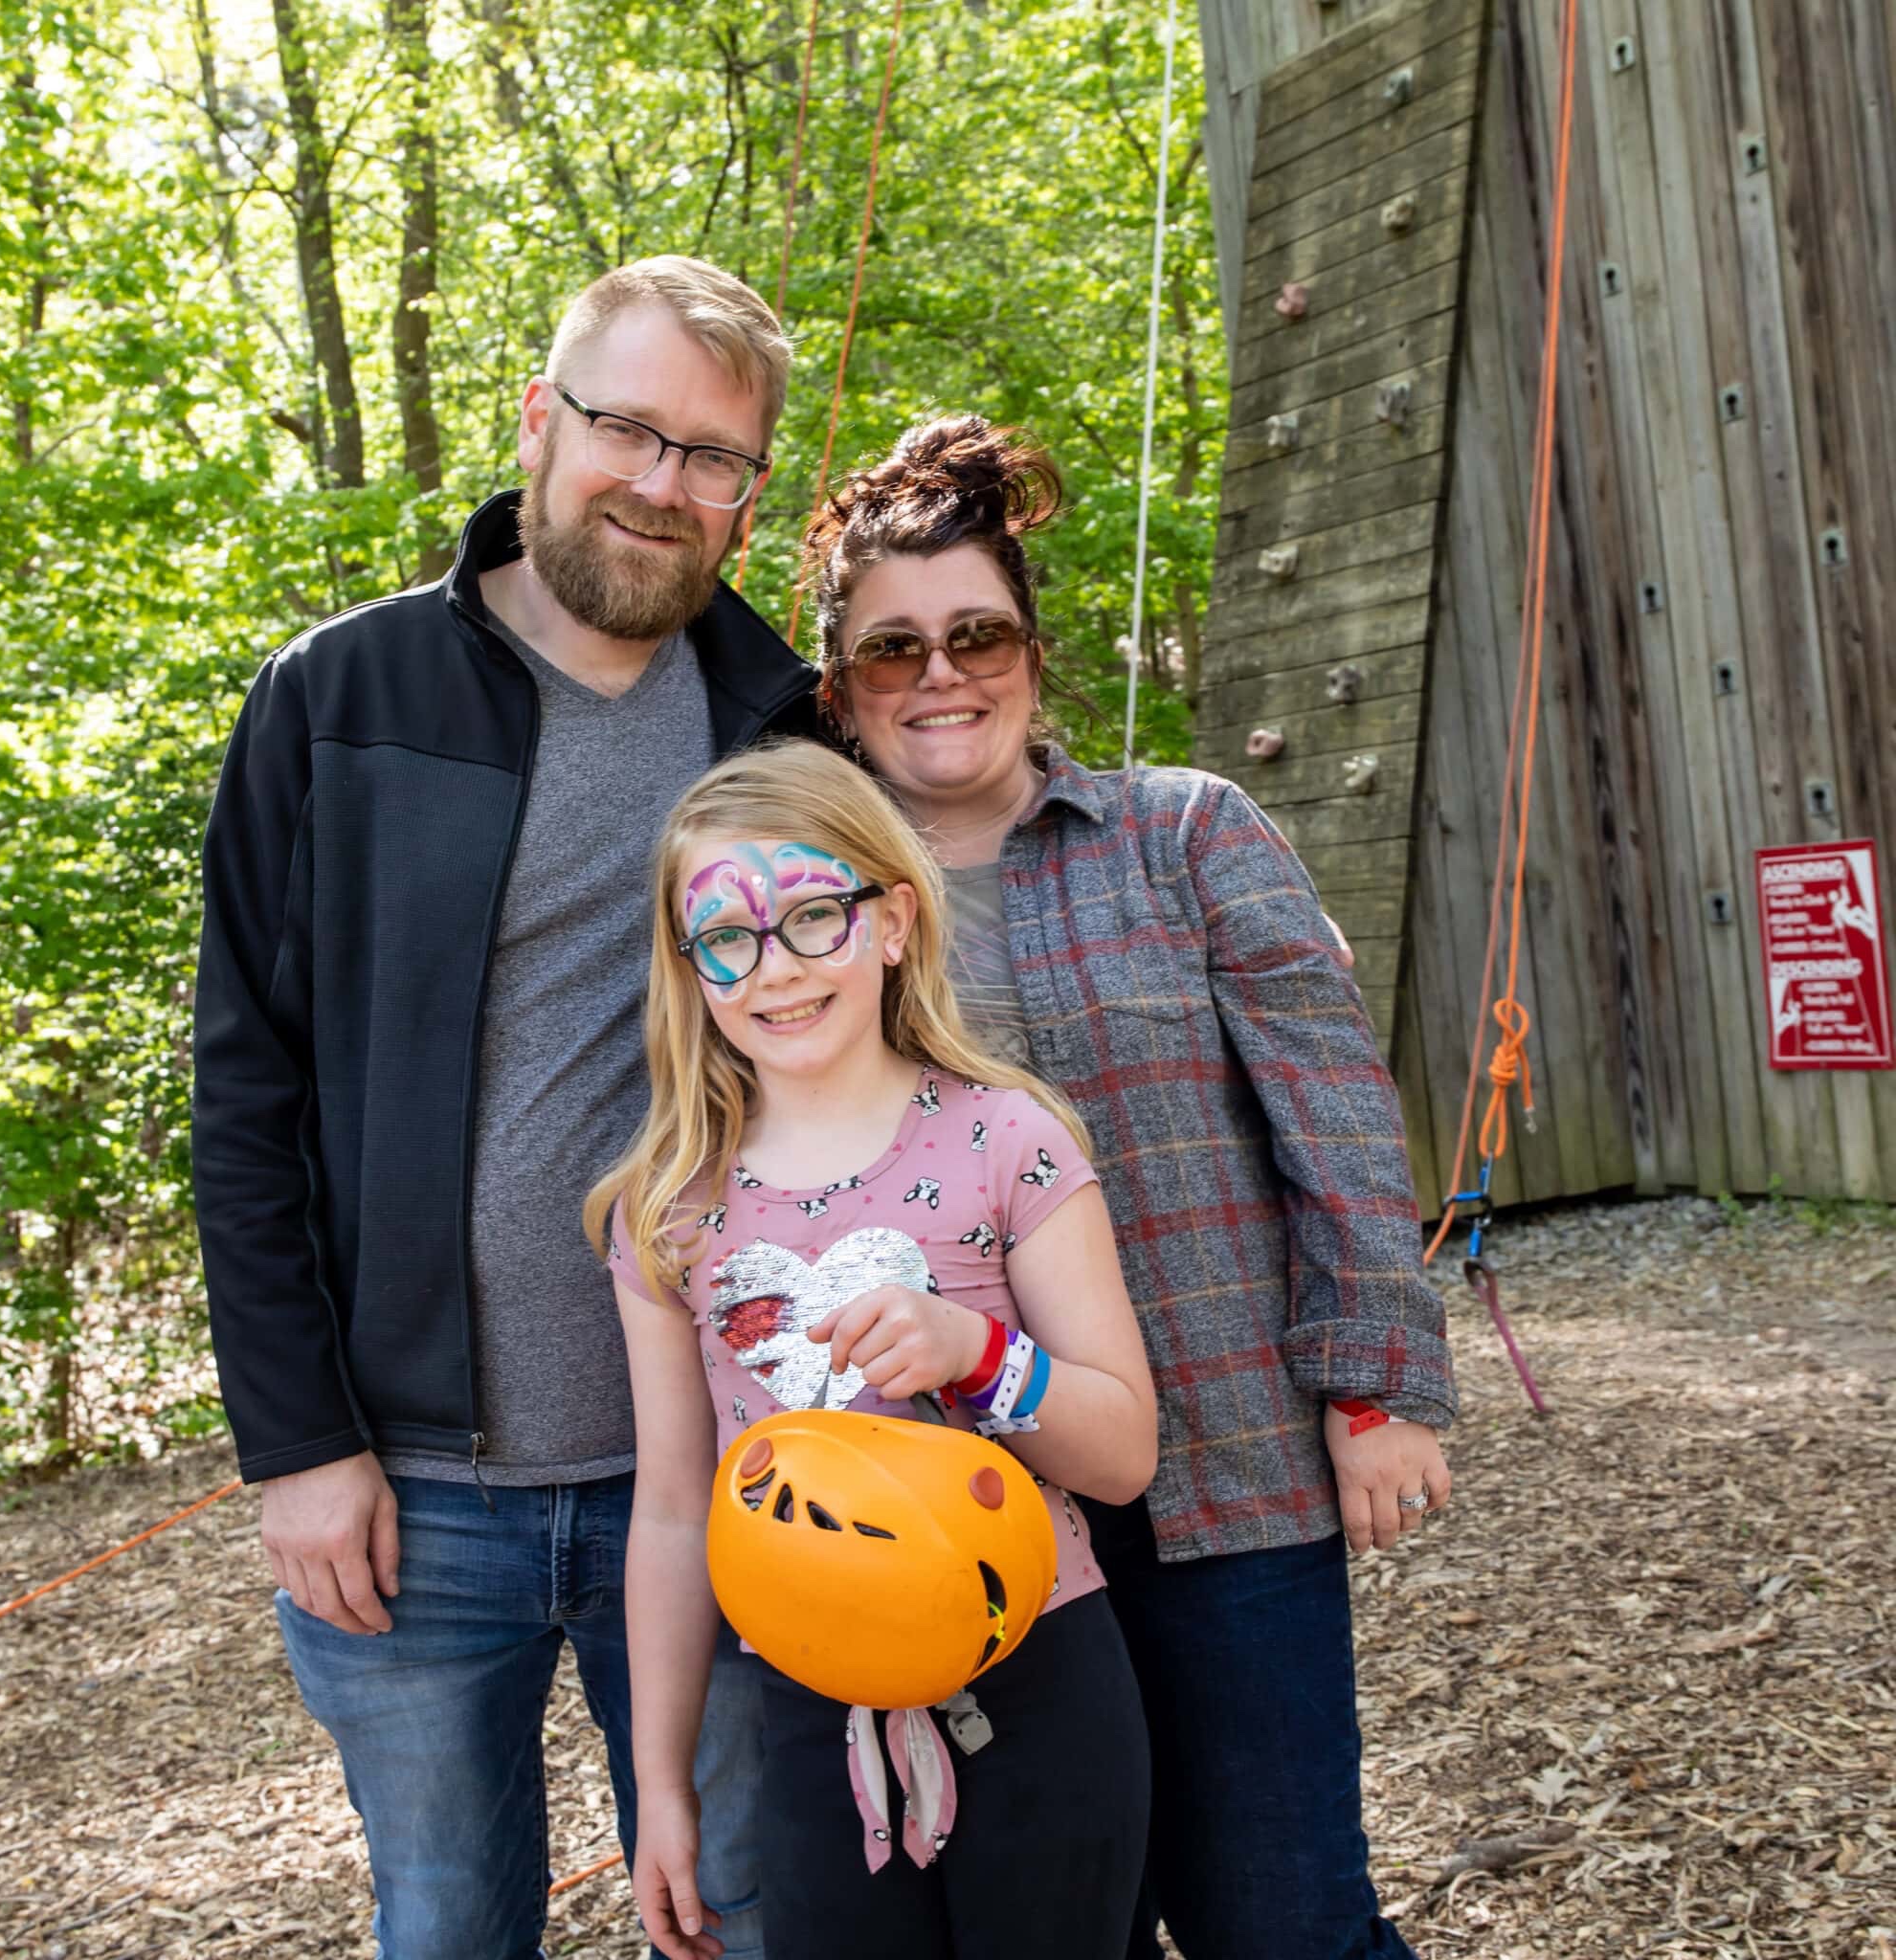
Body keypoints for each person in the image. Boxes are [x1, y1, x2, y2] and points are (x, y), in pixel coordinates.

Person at [190, 256, 815, 1960]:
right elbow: (242, 1090)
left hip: (732, 1453)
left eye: (714, 458)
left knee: (744, 1913)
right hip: (410, 1480)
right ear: (541, 421)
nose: (663, 483)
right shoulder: (338, 700)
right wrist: (299, 1443)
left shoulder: (782, 726)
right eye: (630, 429)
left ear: (748, 498)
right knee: (453, 1922)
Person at [802, 415, 1461, 1960]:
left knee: (1280, 1917)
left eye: (975, 633)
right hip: (968, 1523)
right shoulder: (811, 916)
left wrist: (1377, 1384)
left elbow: (1334, 1113)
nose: (940, 673)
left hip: (1225, 1477)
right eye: (890, 651)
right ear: (838, 696)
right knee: (1064, 1926)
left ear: (1032, 655)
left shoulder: (1184, 833)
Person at [588, 741, 1157, 1960]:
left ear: (893, 919)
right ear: (688, 969)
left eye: (811, 915)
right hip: (804, 1713)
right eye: (725, 937)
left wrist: (972, 1348)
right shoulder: (670, 1213)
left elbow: (1122, 1455)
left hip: (1039, 1677)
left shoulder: (1009, 1138)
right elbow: (675, 1512)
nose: (773, 968)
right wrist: (664, 1786)